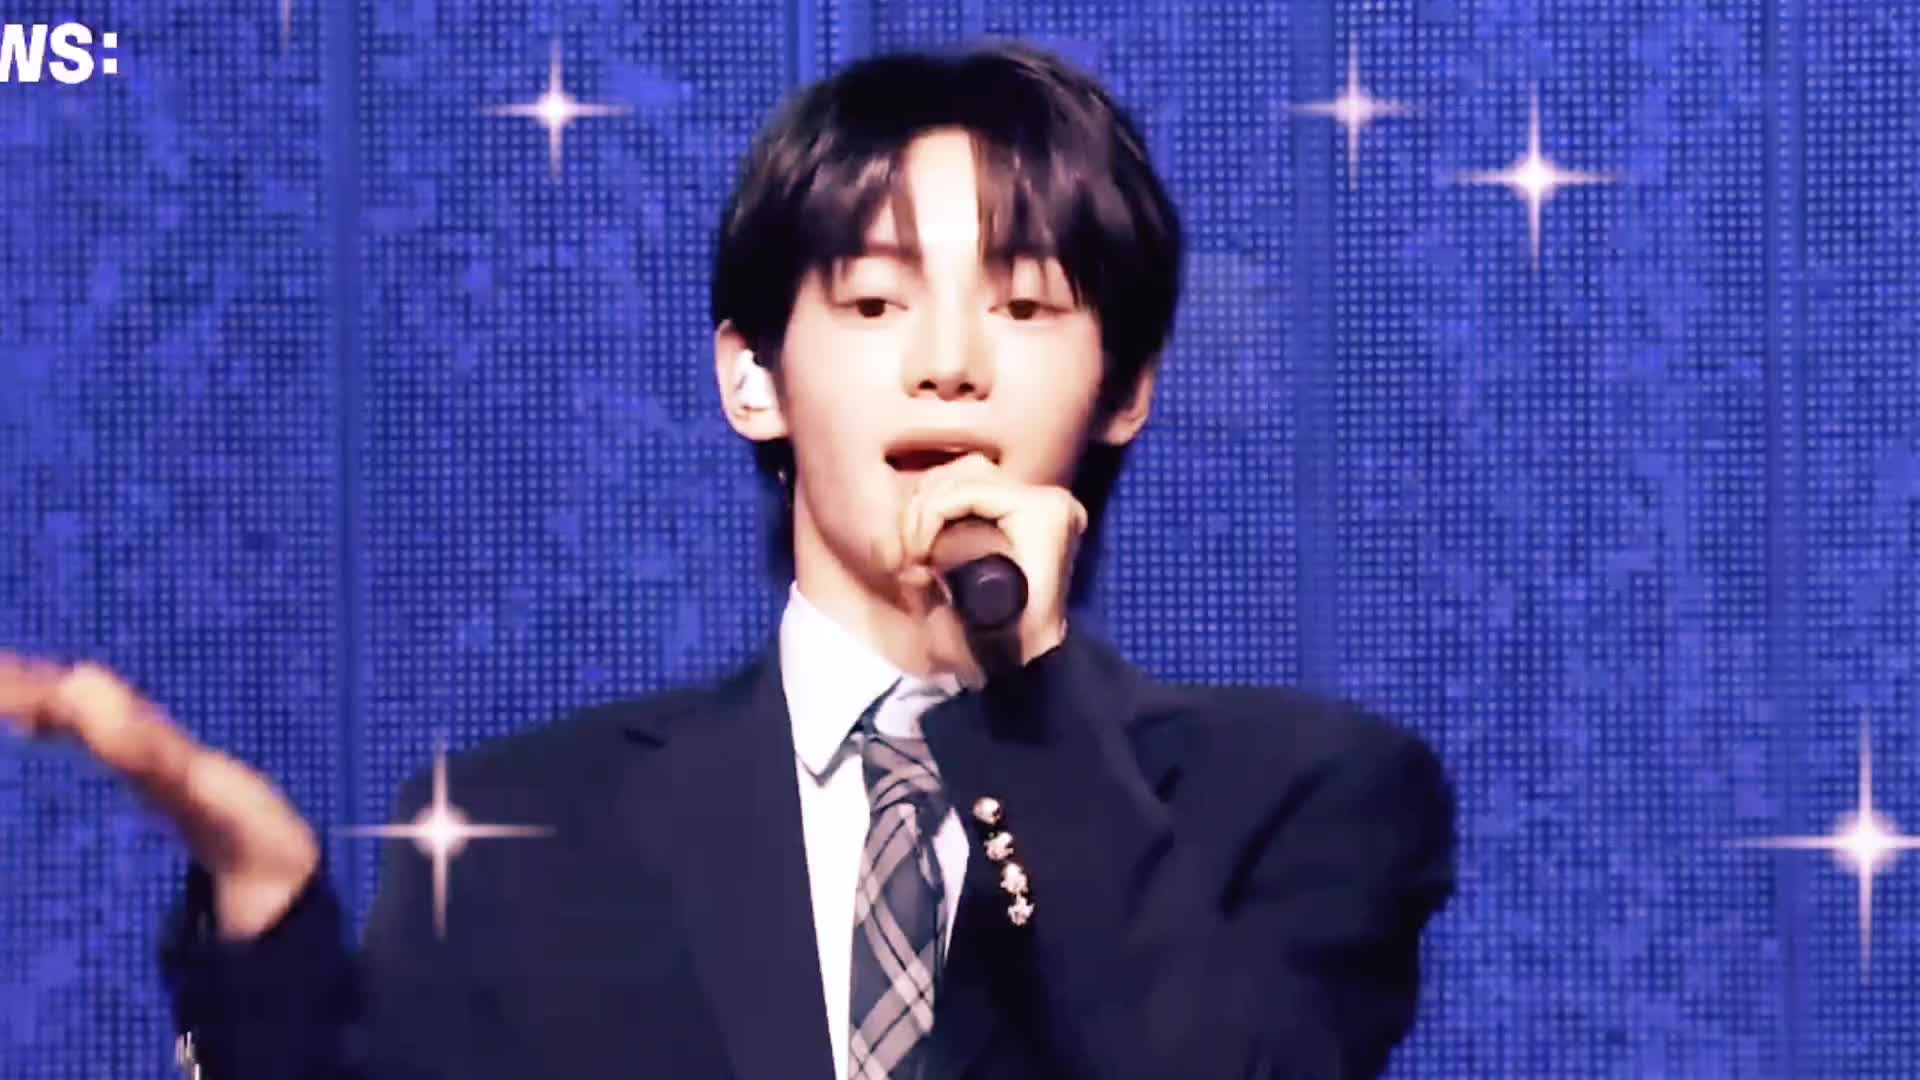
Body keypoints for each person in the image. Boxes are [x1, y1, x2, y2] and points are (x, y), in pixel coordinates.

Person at [0, 41, 1456, 1080]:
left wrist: (1029, 695)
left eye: (1024, 307)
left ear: (1126, 389)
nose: (949, 365)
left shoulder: (1310, 797)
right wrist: (263, 926)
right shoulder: (520, 835)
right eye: (876, 304)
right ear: (754, 378)